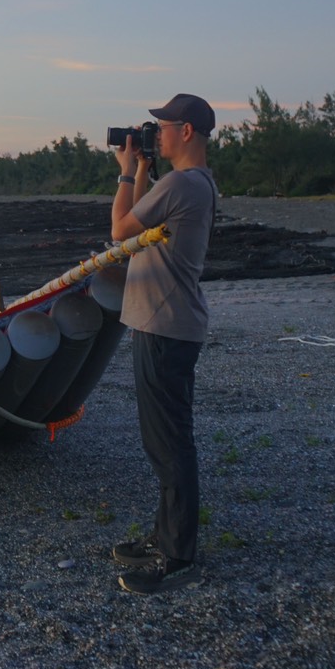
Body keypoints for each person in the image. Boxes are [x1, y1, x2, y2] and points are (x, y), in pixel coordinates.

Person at [108, 93, 219, 595]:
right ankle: (164, 536)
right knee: (164, 441)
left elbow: (120, 230)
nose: (160, 134)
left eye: (165, 126)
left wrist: (127, 172)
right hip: (165, 325)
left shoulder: (182, 183)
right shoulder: (193, 185)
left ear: (187, 131)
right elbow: (145, 223)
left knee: (170, 444)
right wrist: (143, 170)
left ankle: (178, 558)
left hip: (165, 326)